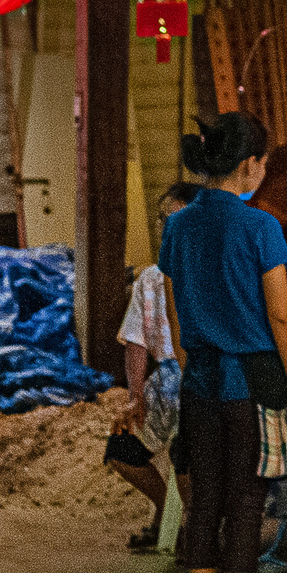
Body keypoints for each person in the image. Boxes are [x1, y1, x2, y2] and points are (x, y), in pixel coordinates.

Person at [160, 112, 287, 573]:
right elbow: (280, 315)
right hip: (249, 382)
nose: (264, 173)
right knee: (247, 501)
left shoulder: (179, 225)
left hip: (198, 380)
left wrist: (190, 352)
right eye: (264, 163)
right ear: (248, 165)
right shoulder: (261, 227)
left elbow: (174, 309)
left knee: (204, 502)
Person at [109, 181, 201, 551]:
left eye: (173, 220)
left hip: (199, 378)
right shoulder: (150, 278)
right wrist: (135, 397)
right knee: (120, 448)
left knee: (189, 459)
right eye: (162, 220)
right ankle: (167, 515)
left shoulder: (209, 272)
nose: (166, 228)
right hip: (167, 382)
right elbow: (136, 341)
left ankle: (194, 533)